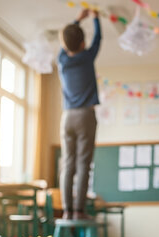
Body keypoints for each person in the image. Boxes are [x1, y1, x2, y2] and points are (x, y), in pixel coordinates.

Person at [57, 8, 101, 220]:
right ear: (83, 44)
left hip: (66, 116)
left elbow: (65, 43)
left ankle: (66, 210)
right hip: (85, 115)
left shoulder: (62, 61)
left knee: (68, 163)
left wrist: (77, 20)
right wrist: (95, 19)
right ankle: (79, 210)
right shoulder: (87, 57)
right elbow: (98, 39)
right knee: (83, 164)